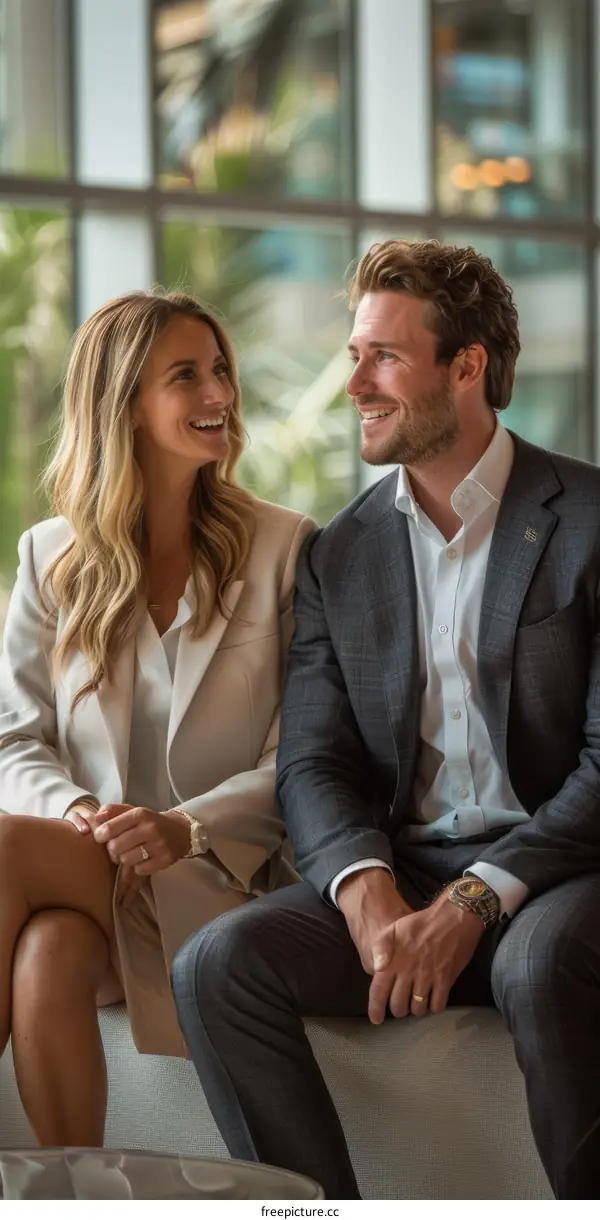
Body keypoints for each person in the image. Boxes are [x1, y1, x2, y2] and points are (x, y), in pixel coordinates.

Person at [172, 239, 600, 1201]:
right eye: (354, 351)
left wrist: (479, 900)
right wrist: (367, 893)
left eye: (383, 357)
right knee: (217, 967)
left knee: (535, 967)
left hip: (568, 869)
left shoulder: (588, 519)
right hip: (410, 869)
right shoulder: (343, 551)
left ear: (467, 366)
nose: (354, 380)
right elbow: (315, 762)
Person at [0, 288, 314, 1147]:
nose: (219, 395)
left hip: (227, 879)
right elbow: (14, 738)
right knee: (50, 952)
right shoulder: (49, 555)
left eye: (220, 371)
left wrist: (183, 829)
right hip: (95, 878)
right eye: (186, 376)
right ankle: (69, 1199)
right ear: (124, 405)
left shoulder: (286, 545)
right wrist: (75, 814)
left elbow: (309, 756)